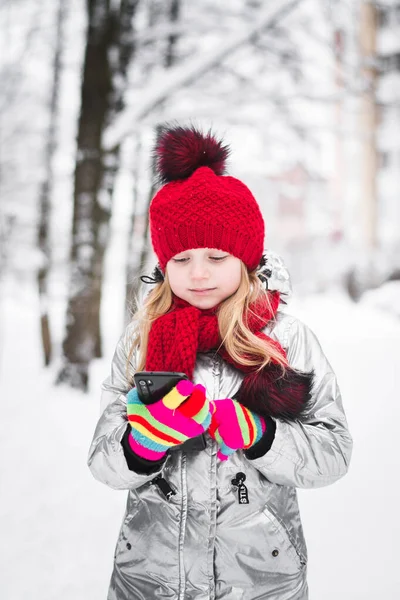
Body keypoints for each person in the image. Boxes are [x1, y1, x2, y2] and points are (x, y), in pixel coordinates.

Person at [88, 124, 353, 600]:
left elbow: (333, 454)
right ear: (164, 264)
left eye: (216, 255)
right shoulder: (142, 340)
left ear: (246, 259)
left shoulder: (284, 339)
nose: (199, 273)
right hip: (149, 579)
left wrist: (262, 435)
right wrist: (141, 444)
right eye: (182, 257)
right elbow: (104, 463)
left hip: (261, 581)